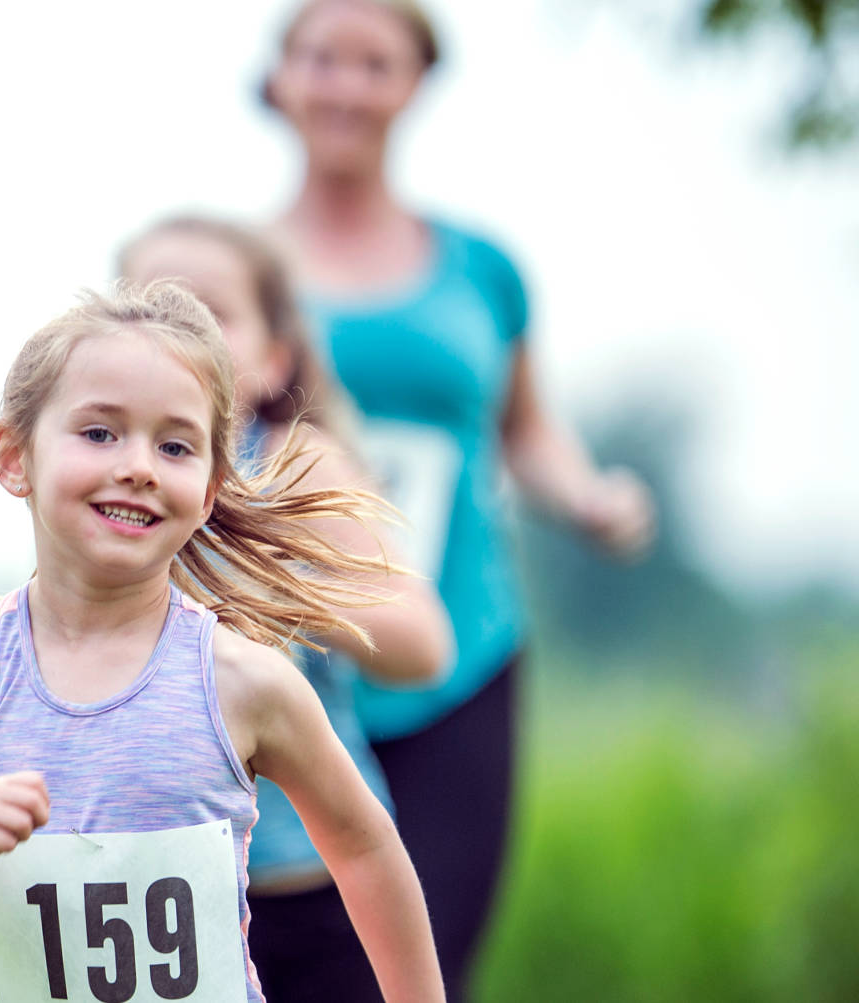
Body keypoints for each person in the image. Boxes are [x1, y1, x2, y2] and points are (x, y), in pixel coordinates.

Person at [0, 281, 445, 1002]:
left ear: (213, 485)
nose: (138, 464)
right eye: (100, 432)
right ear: (14, 456)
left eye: (175, 444)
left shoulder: (247, 680)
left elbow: (366, 846)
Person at [260, 1, 656, 996]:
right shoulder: (238, 273)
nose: (344, 85)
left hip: (460, 656)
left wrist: (589, 495)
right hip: (281, 668)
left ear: (416, 81)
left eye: (373, 62)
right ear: (282, 76)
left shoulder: (483, 269)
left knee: (427, 962)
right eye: (320, 58)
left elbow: (526, 426)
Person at [121, 214, 454, 1001]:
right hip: (158, 886)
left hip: (307, 883)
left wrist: (276, 582)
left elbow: (422, 642)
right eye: (146, 306)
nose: (174, 333)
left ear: (273, 360)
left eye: (207, 312)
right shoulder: (101, 475)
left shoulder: (292, 465)